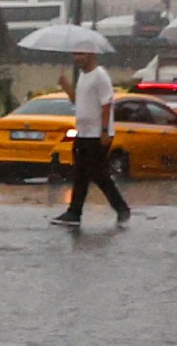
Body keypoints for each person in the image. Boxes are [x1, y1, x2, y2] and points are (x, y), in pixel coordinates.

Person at [52, 48, 130, 225]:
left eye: (81, 54)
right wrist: (66, 88)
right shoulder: (83, 76)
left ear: (92, 55)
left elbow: (106, 105)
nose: (77, 58)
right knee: (81, 173)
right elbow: (77, 101)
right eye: (75, 54)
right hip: (83, 132)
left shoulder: (100, 76)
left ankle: (120, 208)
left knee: (97, 173)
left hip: (97, 135)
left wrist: (104, 131)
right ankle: (74, 213)